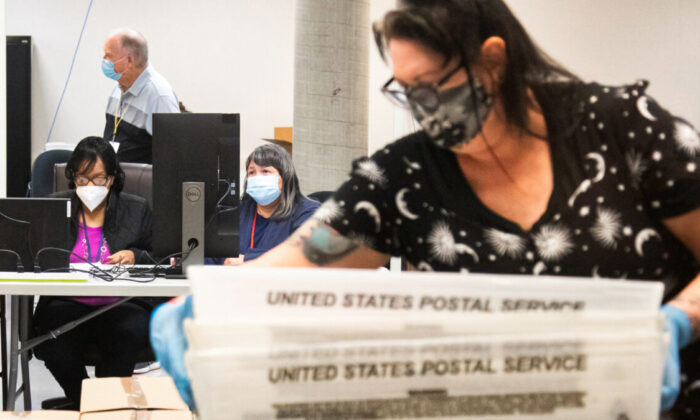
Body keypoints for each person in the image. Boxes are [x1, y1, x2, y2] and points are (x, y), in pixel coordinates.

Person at [152, 0, 700, 415]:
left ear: (493, 59)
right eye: (408, 92)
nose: (423, 111)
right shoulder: (407, 176)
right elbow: (307, 258)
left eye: (433, 88)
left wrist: (679, 320)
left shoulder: (625, 128)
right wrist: (206, 303)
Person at [33, 136, 154, 409]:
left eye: (98, 179)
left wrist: (136, 256)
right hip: (67, 304)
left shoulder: (136, 210)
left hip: (121, 304)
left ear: (111, 179)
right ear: (73, 177)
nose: (89, 186)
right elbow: (34, 258)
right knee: (52, 344)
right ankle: (90, 405)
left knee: (129, 333)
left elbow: (166, 257)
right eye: (82, 178)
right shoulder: (54, 208)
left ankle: (105, 406)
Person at [211, 143, 320, 265]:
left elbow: (304, 254)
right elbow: (212, 254)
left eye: (265, 171)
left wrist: (247, 260)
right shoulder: (235, 210)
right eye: (252, 172)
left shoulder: (308, 212)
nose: (257, 177)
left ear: (284, 177)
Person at [102, 28, 179, 164]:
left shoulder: (159, 96)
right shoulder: (118, 87)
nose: (104, 60)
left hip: (140, 183)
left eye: (108, 56)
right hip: (113, 179)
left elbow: (173, 156)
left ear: (129, 60)